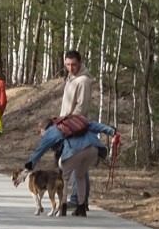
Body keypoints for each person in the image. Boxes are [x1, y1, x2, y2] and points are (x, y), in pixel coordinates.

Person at [25, 115, 115, 217]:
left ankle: (62, 206)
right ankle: (81, 208)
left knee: (63, 175)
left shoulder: (51, 131)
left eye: (40, 132)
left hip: (75, 149)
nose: (40, 135)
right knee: (80, 175)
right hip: (93, 148)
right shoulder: (71, 123)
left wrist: (30, 164)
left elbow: (40, 149)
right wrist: (111, 131)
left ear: (43, 128)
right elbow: (93, 125)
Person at [60, 50, 94, 208]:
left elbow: (82, 106)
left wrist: (71, 124)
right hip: (68, 125)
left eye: (73, 64)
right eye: (67, 64)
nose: (70, 67)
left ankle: (79, 199)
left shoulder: (83, 81)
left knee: (78, 163)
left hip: (77, 127)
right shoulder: (70, 78)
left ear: (79, 63)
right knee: (75, 163)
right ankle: (79, 199)